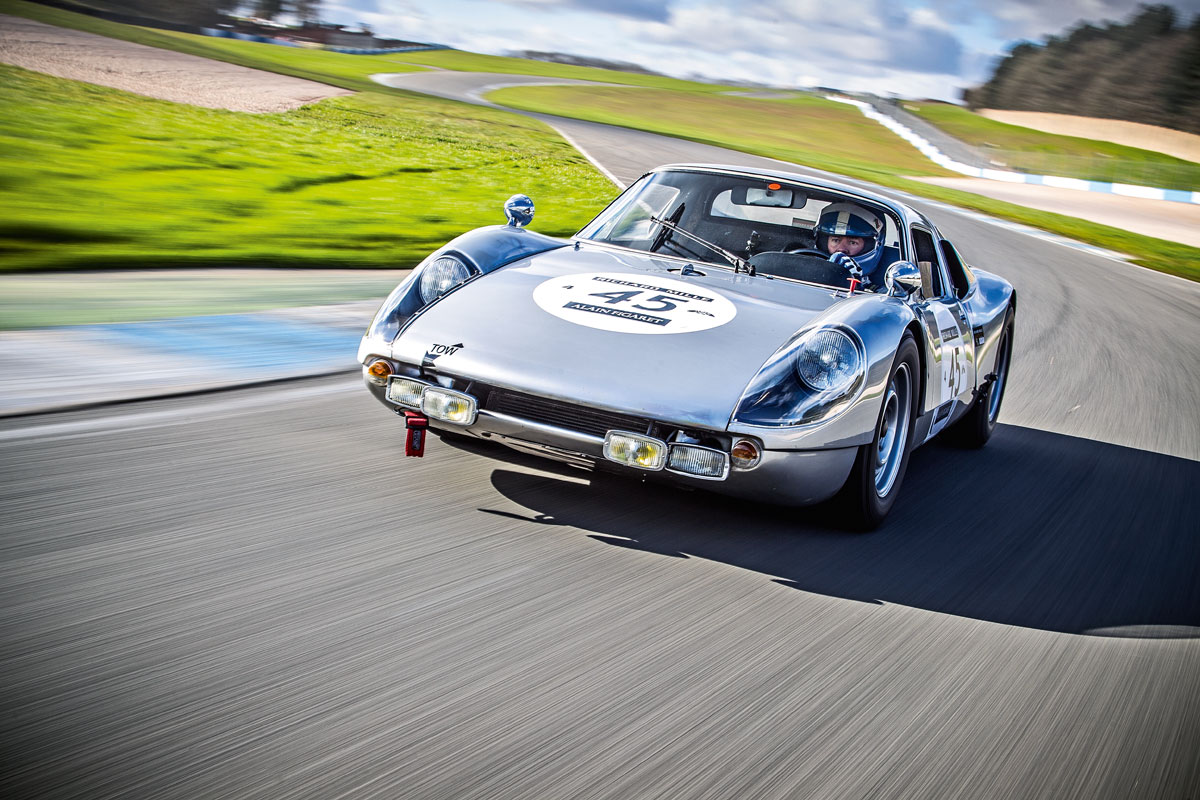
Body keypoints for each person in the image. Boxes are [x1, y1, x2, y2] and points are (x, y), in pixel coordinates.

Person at [815, 202, 899, 288]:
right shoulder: (806, 270)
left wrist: (856, 286)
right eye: (835, 240)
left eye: (852, 242)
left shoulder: (883, 294)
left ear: (874, 245)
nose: (841, 249)